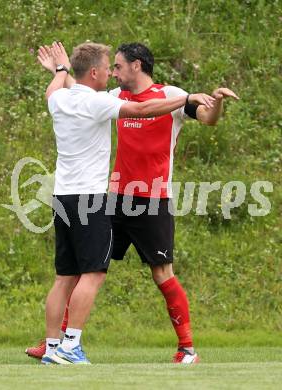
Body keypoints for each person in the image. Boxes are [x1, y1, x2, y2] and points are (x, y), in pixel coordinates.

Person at [37, 41, 215, 365]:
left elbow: (207, 117)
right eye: (110, 67)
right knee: (86, 271)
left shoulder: (168, 94)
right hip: (113, 198)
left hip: (152, 201)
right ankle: (64, 344)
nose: (113, 72)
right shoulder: (112, 99)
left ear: (137, 65)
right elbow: (97, 98)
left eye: (118, 66)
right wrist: (64, 71)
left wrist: (210, 103)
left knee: (160, 274)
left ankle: (187, 348)